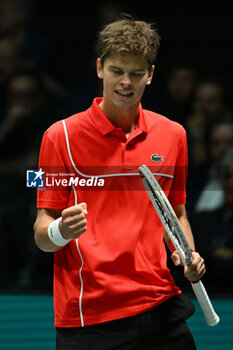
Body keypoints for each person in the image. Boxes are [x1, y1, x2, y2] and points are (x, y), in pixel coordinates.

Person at [33, 15, 206, 350]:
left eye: (136, 73)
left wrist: (188, 255)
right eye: (116, 71)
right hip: (90, 319)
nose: (125, 82)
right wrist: (61, 232)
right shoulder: (59, 136)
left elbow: (178, 214)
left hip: (160, 309)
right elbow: (43, 231)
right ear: (100, 68)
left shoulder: (173, 135)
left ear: (150, 75)